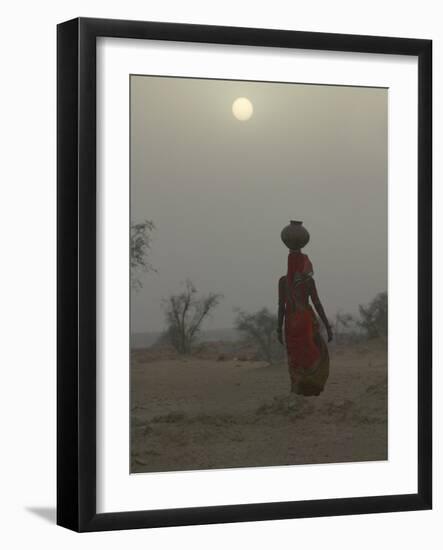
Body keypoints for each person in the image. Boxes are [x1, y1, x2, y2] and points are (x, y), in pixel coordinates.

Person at [277, 248, 333, 396]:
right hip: (306, 321)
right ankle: (312, 388)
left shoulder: (283, 281)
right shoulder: (308, 281)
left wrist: (278, 328)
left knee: (294, 356)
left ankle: (297, 389)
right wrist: (327, 326)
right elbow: (317, 303)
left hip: (290, 323)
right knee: (316, 351)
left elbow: (280, 307)